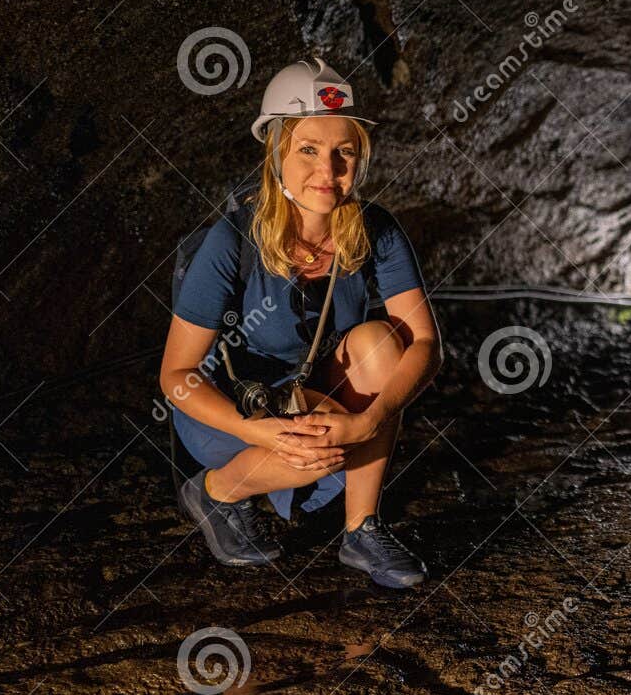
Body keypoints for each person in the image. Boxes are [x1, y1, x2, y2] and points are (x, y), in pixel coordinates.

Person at [158, 57, 442, 589]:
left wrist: (371, 418)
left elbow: (425, 342)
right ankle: (216, 491)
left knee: (382, 342)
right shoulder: (232, 241)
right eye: (308, 150)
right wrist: (252, 428)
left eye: (344, 152)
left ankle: (361, 530)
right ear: (276, 154)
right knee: (315, 447)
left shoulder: (375, 231)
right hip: (231, 404)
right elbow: (177, 375)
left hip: (312, 392)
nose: (327, 171)